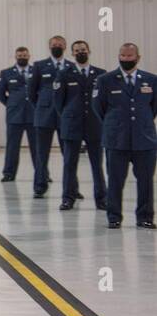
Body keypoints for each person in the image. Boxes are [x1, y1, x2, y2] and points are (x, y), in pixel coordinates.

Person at [93, 43, 157, 230]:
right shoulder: (105, 80)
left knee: (146, 181)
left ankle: (145, 217)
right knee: (115, 180)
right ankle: (114, 217)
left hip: (144, 140)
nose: (126, 59)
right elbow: (99, 108)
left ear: (138, 57)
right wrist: (117, 124)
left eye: (130, 56)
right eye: (123, 55)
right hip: (116, 139)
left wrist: (140, 124)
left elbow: (153, 108)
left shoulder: (151, 80)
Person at [55, 40, 107, 211]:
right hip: (72, 124)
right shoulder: (64, 74)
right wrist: (69, 116)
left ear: (89, 51)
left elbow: (104, 102)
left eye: (83, 50)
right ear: (72, 54)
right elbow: (58, 103)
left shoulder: (100, 74)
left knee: (97, 164)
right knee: (70, 163)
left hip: (94, 125)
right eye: (77, 51)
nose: (80, 53)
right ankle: (68, 198)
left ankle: (102, 199)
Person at [27, 35, 69, 198]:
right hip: (44, 115)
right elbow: (31, 93)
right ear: (49, 46)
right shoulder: (39, 66)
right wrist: (41, 106)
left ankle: (71, 189)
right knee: (41, 154)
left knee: (69, 155)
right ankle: (39, 186)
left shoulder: (71, 66)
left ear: (65, 47)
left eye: (60, 44)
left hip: (65, 116)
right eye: (54, 44)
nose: (57, 46)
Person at [0, 46, 35, 182]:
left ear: (29, 56)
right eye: (19, 56)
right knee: (12, 146)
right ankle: (9, 173)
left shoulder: (36, 71)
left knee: (38, 147)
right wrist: (11, 104)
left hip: (34, 115)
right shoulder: (6, 73)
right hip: (14, 116)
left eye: (24, 55)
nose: (22, 58)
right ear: (15, 57)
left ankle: (43, 174)